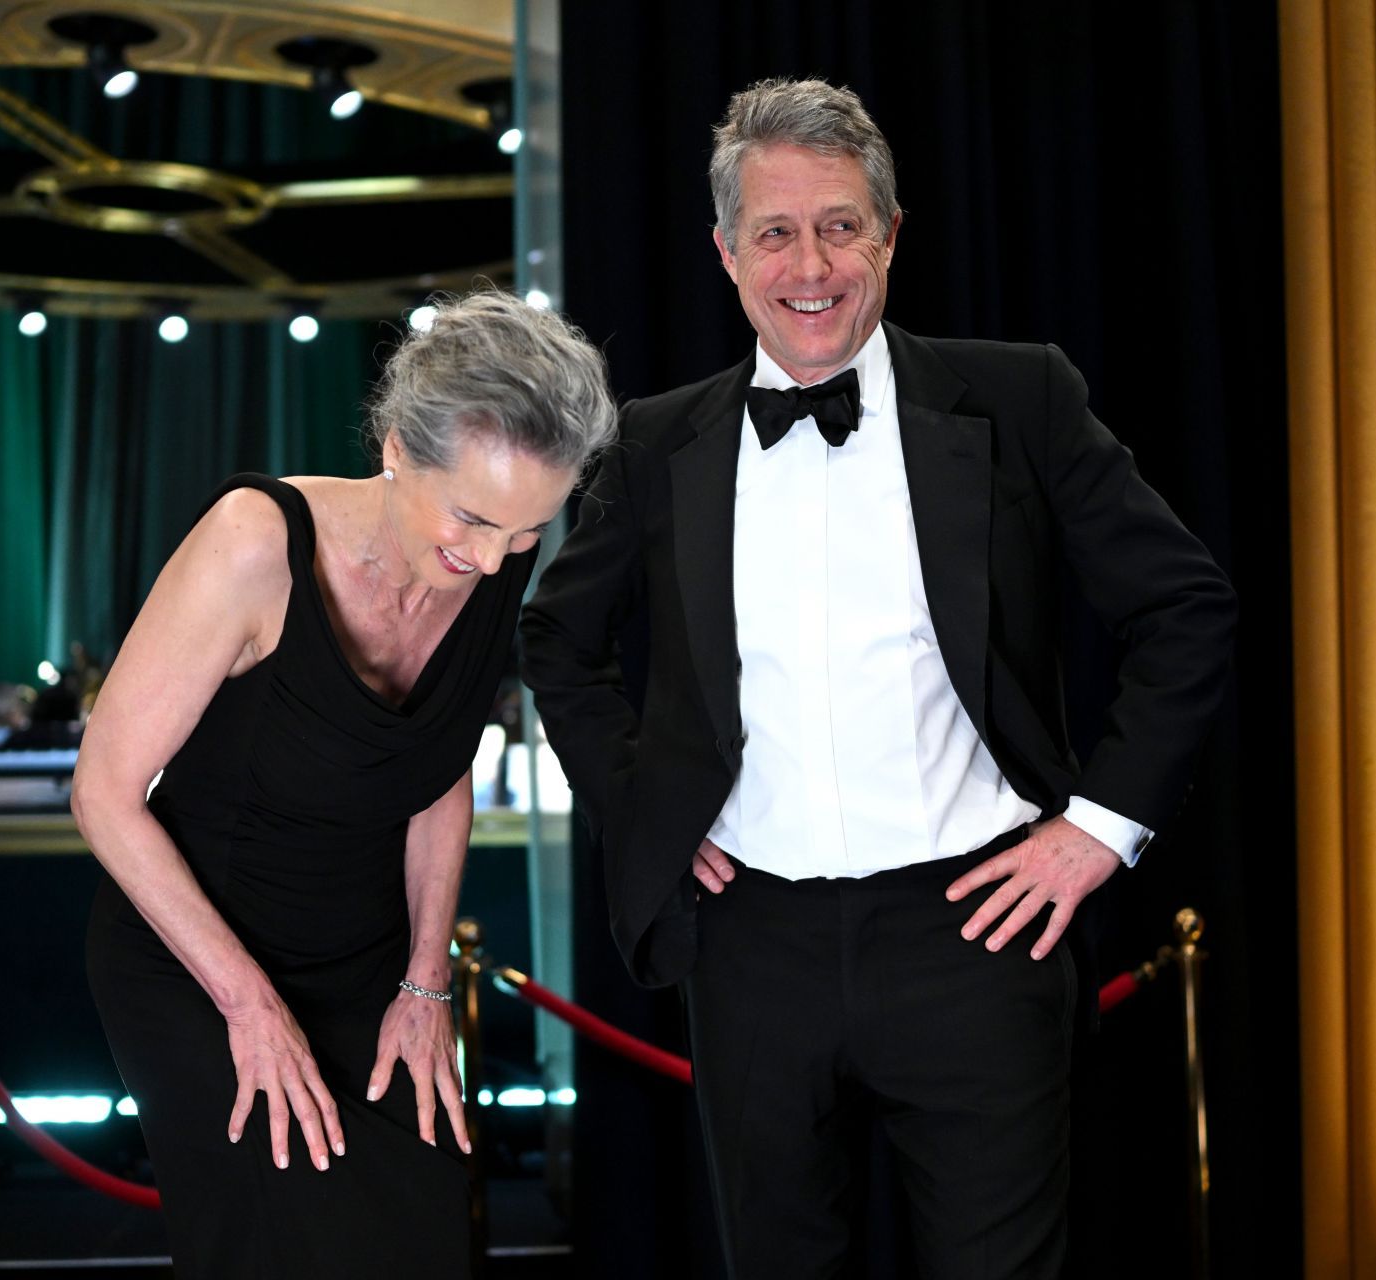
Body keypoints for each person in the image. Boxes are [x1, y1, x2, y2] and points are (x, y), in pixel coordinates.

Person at [520, 79, 1237, 1278]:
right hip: (752, 944)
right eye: (778, 231)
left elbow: (1185, 606)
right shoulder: (655, 439)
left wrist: (1098, 831)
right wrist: (646, 801)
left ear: (891, 233)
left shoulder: (1018, 396)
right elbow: (555, 637)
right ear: (726, 251)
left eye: (843, 225)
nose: (814, 262)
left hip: (976, 932)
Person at [75, 290, 615, 1278]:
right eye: (474, 518)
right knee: (282, 1239)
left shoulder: (486, 561)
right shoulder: (255, 543)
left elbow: (436, 771)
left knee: (417, 1233)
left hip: (367, 964)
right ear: (400, 445)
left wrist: (424, 980)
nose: (492, 559)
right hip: (199, 960)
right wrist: (249, 1005)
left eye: (527, 531)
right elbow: (103, 791)